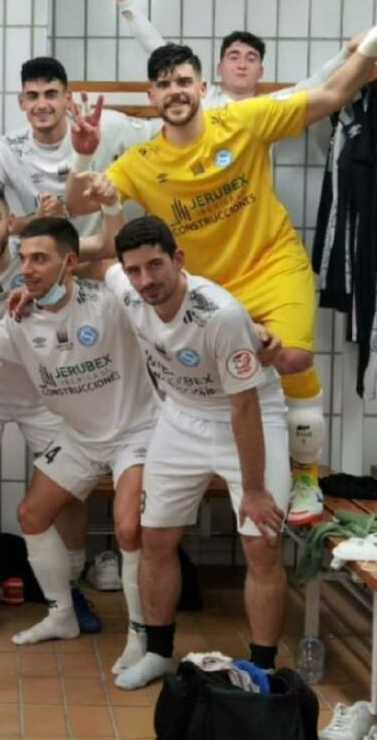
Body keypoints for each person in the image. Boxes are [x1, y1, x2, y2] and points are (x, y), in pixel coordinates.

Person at [64, 31, 377, 527]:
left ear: (202, 85)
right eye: (164, 84)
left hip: (274, 266)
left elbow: (333, 95)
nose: (175, 91)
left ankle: (306, 477)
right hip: (211, 294)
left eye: (183, 80)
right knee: (225, 389)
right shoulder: (143, 162)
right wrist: (83, 155)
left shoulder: (242, 120)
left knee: (294, 362)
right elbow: (77, 204)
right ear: (152, 97)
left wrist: (370, 46)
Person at [0, 216, 153, 674]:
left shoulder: (107, 304)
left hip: (133, 433)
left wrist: (108, 208)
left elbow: (125, 266)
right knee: (31, 515)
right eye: (23, 259)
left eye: (40, 258)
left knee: (128, 529)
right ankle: (61, 614)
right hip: (78, 436)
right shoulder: (20, 317)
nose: (27, 269)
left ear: (70, 263)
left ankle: (143, 636)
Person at [105, 216, 290, 689]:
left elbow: (244, 406)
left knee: (261, 543)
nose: (146, 281)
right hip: (181, 416)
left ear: (178, 260)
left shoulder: (220, 314)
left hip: (249, 417)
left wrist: (252, 490)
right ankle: (160, 652)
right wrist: (33, 294)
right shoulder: (126, 288)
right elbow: (91, 265)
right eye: (135, 270)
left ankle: (263, 668)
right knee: (155, 541)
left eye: (155, 266)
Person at [0, 56, 159, 242]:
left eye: (51, 95)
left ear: (67, 99)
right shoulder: (10, 147)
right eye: (33, 96)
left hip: (99, 253)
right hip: (44, 257)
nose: (42, 105)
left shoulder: (105, 126)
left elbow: (162, 131)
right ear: (21, 101)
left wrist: (192, 103)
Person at [104, 0, 354, 107]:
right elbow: (157, 49)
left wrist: (351, 52)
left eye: (251, 58)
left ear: (261, 71)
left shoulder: (271, 108)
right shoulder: (200, 97)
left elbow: (317, 83)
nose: (242, 64)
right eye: (234, 57)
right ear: (219, 68)